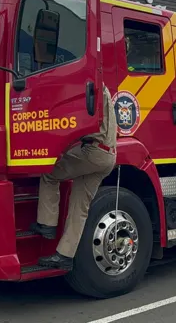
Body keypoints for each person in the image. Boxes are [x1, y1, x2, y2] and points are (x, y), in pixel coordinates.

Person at [29, 84, 118, 271]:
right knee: (79, 207)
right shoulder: (102, 89)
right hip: (108, 155)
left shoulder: (91, 88)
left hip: (93, 151)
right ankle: (64, 256)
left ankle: (46, 223)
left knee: (49, 175)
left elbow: (76, 122)